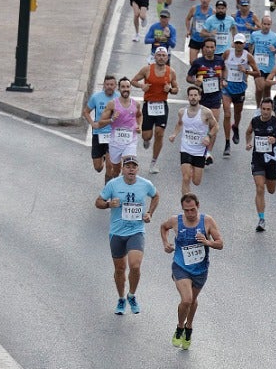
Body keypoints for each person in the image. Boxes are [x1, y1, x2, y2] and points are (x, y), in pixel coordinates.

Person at [95, 156, 157, 315]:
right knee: (120, 268)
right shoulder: (113, 185)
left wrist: (149, 213)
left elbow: (156, 195)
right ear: (122, 169)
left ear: (137, 169)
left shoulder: (145, 184)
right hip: (117, 232)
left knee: (135, 265)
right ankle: (121, 299)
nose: (131, 169)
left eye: (133, 166)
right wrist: (109, 204)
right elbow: (98, 202)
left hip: (136, 231)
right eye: (127, 166)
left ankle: (132, 295)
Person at [160, 193, 222, 349]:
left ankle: (189, 327)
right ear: (183, 209)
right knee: (186, 299)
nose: (190, 213)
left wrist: (207, 242)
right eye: (186, 210)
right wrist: (166, 243)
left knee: (193, 301)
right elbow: (163, 227)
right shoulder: (176, 221)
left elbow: (220, 243)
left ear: (198, 206)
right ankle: (180, 326)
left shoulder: (207, 221)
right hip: (180, 266)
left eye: (192, 210)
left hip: (200, 269)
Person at [132, 47, 177, 173]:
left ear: (167, 57)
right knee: (147, 135)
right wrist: (142, 86)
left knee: (159, 132)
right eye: (159, 55)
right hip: (149, 105)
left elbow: (176, 89)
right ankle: (146, 140)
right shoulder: (147, 69)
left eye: (164, 55)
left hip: (162, 105)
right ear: (155, 57)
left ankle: (153, 162)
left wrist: (171, 90)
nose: (161, 57)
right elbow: (133, 81)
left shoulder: (171, 72)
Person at [170, 83, 218, 195]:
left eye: (195, 95)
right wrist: (174, 134)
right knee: (186, 178)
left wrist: (208, 136)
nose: (193, 97)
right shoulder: (182, 112)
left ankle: (192, 170)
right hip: (186, 148)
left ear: (199, 97)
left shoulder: (206, 112)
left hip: (199, 150)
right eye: (191, 95)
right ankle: (186, 203)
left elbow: (216, 126)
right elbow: (179, 123)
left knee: (196, 181)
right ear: (188, 97)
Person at [247, 95, 276, 232]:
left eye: (268, 109)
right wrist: (248, 142)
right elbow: (248, 132)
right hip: (257, 159)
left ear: (272, 109)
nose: (266, 112)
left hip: (272, 160)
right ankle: (261, 219)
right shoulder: (255, 121)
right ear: (260, 109)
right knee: (260, 187)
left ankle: (271, 179)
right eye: (263, 109)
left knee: (271, 190)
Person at [96, 74, 140, 176]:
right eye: (123, 87)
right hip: (115, 142)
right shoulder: (112, 104)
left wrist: (139, 126)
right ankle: (116, 184)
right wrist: (111, 119)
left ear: (130, 88)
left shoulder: (136, 104)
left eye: (128, 87)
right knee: (116, 170)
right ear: (119, 89)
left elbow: (139, 115)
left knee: (128, 165)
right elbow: (100, 123)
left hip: (130, 141)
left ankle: (126, 186)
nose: (126, 89)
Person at [84, 72, 117, 180]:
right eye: (107, 84)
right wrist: (92, 123)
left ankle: (108, 190)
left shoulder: (119, 98)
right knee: (98, 168)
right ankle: (102, 157)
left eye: (112, 85)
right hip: (98, 133)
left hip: (112, 134)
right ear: (104, 85)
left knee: (109, 166)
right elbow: (86, 112)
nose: (109, 87)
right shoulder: (96, 97)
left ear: (115, 86)